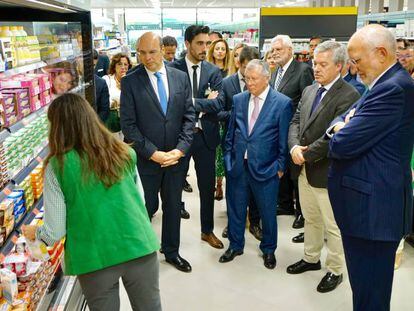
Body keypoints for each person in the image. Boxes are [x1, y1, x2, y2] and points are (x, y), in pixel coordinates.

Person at [22, 93, 161, 311]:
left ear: (57, 127)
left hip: (95, 257)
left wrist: (36, 233)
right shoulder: (124, 152)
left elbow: (55, 231)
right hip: (139, 246)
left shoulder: (57, 166)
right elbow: (140, 201)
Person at [327, 24, 414, 311]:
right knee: (364, 292)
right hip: (365, 210)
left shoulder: (392, 89)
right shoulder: (379, 84)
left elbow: (340, 144)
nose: (354, 68)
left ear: (381, 53)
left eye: (357, 60)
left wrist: (343, 128)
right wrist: (342, 126)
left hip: (374, 213)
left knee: (371, 298)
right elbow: (341, 119)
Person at [287, 41, 360, 293]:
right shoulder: (309, 90)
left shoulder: (349, 95)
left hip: (327, 171)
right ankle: (310, 258)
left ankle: (335, 270)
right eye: (314, 63)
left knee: (333, 226)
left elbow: (335, 138)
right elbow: (296, 121)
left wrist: (306, 155)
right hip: (303, 168)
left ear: (339, 66)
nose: (315, 68)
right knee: (311, 218)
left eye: (322, 64)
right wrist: (294, 147)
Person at [120, 32, 195, 273]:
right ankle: (141, 252)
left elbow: (188, 117)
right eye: (141, 52)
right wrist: (153, 153)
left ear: (162, 49)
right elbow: (128, 125)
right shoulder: (131, 81)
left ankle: (171, 252)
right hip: (146, 160)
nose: (146, 57)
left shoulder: (180, 78)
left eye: (152, 52)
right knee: (145, 207)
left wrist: (180, 150)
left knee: (173, 207)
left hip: (175, 159)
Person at [219, 59, 292, 269]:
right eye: (247, 78)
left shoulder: (282, 103)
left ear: (266, 78)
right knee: (235, 208)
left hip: (266, 168)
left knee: (268, 212)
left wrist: (279, 167)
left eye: (254, 79)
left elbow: (283, 139)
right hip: (238, 167)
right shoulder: (239, 99)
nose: (249, 83)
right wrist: (228, 159)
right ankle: (235, 245)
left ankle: (269, 249)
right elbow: (231, 132)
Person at [169, 25, 224, 249]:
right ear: (187, 44)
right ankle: (171, 240)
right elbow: (172, 104)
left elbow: (219, 103)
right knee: (173, 191)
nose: (204, 48)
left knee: (206, 187)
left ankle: (207, 231)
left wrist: (190, 102)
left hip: (205, 137)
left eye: (207, 43)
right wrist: (203, 102)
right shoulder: (173, 69)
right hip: (180, 137)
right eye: (200, 43)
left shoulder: (213, 71)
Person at [270, 34, 314, 241]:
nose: (274, 53)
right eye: (273, 50)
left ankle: (301, 213)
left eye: (278, 49)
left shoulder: (303, 70)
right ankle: (285, 204)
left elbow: (307, 100)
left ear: (289, 50)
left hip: (294, 129)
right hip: (278, 128)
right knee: (283, 167)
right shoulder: (275, 72)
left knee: (295, 170)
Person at [220, 46, 262, 241]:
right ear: (239, 64)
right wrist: (237, 115)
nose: (250, 73)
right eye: (247, 67)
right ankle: (233, 223)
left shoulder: (262, 84)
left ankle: (254, 222)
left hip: (256, 149)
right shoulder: (227, 84)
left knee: (255, 189)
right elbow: (218, 112)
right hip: (235, 147)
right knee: (234, 190)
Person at [206, 38, 231, 200]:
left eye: (223, 49)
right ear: (213, 51)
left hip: (228, 116)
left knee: (224, 152)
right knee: (214, 153)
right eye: (217, 49)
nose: (220, 51)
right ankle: (217, 184)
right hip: (212, 117)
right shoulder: (207, 70)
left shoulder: (231, 71)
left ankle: (222, 184)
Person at [103, 53, 132, 133]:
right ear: (114, 66)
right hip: (112, 124)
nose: (123, 67)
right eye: (119, 64)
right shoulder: (107, 80)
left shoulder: (131, 82)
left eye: (125, 64)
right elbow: (105, 102)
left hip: (128, 123)